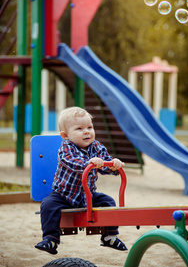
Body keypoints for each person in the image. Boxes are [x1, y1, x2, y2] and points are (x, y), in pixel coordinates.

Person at [35, 107, 127, 254]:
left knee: (108, 201)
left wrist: (114, 165)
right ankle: (50, 239)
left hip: (88, 195)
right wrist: (89, 163)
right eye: (79, 128)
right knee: (48, 205)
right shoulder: (66, 147)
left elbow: (106, 164)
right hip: (64, 194)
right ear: (65, 135)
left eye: (90, 127)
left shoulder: (96, 146)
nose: (86, 131)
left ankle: (109, 236)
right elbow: (71, 162)